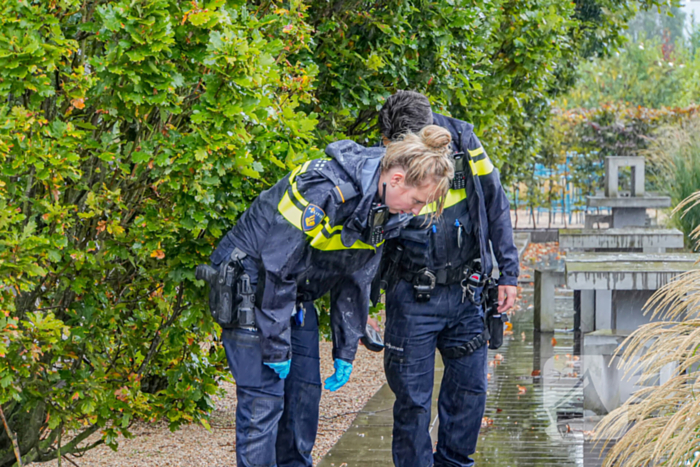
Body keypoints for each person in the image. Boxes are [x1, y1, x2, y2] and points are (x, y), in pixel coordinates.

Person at [207, 125, 455, 467]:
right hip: (251, 283)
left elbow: (355, 274)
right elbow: (277, 264)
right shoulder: (324, 187)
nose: (415, 211)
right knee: (263, 402)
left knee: (303, 400)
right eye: (416, 201)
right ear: (397, 178)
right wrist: (276, 346)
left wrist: (345, 347)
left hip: (294, 292)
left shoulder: (386, 207)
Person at [377, 91, 520, 467]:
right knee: (412, 404)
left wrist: (509, 273)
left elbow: (496, 202)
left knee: (470, 393)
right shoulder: (387, 151)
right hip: (411, 295)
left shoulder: (465, 142)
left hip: (465, 293)